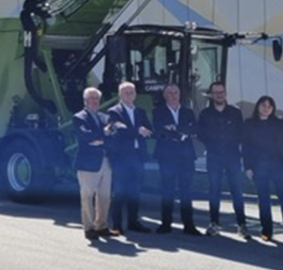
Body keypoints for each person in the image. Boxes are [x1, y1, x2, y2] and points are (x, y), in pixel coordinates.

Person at [197, 81, 250, 239]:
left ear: (225, 93)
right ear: (211, 95)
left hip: (232, 157)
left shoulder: (235, 112)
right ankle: (214, 223)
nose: (219, 95)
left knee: (237, 191)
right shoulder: (205, 114)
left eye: (221, 92)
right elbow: (201, 134)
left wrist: (232, 143)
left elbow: (241, 132)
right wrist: (212, 144)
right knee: (214, 190)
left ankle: (242, 225)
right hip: (214, 157)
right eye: (216, 92)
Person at [243, 95, 283, 244]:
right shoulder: (249, 123)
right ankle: (266, 231)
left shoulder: (279, 123)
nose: (266, 109)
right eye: (263, 105)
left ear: (272, 108)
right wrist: (248, 167)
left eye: (269, 106)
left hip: (279, 165)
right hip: (260, 166)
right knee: (263, 200)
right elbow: (246, 147)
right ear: (257, 106)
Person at [152, 84, 202, 235]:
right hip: (166, 157)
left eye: (176, 92)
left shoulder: (188, 112)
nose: (173, 95)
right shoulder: (158, 112)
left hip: (186, 157)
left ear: (180, 95)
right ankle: (166, 223)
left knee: (186, 191)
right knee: (167, 190)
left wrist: (176, 129)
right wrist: (182, 133)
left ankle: (189, 225)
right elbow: (160, 130)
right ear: (165, 95)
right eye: (170, 93)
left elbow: (194, 129)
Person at [107, 81, 153, 234]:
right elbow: (120, 131)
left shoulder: (140, 111)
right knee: (119, 192)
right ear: (120, 94)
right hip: (121, 158)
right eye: (126, 92)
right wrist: (138, 131)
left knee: (135, 191)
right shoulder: (114, 112)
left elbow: (149, 128)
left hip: (137, 156)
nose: (129, 95)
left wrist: (145, 131)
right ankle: (116, 224)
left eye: (132, 92)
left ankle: (133, 221)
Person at [73, 87, 114, 240]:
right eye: (91, 98)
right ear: (85, 100)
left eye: (96, 98)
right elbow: (84, 136)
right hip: (88, 163)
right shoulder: (79, 117)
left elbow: (112, 137)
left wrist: (99, 139)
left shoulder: (104, 117)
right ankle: (89, 228)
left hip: (106, 161)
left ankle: (102, 225)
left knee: (105, 196)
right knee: (87, 196)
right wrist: (103, 133)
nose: (94, 101)